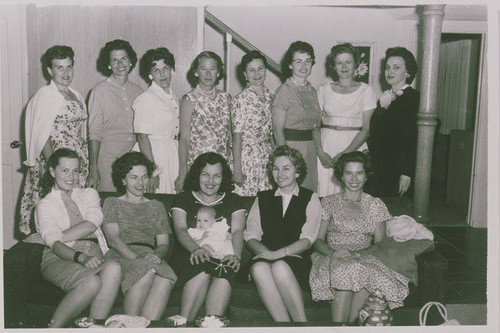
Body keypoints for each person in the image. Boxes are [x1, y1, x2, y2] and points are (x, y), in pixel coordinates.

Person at [309, 151, 409, 323]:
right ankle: (341, 326)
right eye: (348, 173)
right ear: (341, 176)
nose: (354, 179)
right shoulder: (328, 202)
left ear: (366, 176)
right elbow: (318, 241)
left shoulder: (375, 205)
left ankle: (346, 326)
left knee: (361, 271)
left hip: (364, 257)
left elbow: (379, 244)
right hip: (333, 256)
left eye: (359, 173)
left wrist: (356, 255)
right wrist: (336, 253)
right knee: (344, 269)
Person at [34, 148, 121, 328]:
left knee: (114, 267)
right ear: (52, 171)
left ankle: (94, 328)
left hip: (93, 252)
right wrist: (80, 257)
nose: (71, 176)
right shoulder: (45, 205)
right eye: (64, 170)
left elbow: (92, 223)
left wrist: (56, 236)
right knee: (91, 282)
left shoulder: (89, 194)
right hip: (58, 257)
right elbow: (55, 245)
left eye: (75, 170)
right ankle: (52, 329)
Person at [244, 145, 321, 322]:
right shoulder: (262, 198)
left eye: (286, 168)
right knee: (258, 267)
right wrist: (267, 254)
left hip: (296, 258)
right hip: (264, 254)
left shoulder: (311, 198)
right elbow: (251, 236)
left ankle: (302, 325)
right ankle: (283, 326)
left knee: (279, 267)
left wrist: (278, 255)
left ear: (297, 172)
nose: (280, 173)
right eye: (276, 168)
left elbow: (308, 239)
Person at [21, 45, 88, 236]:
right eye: (59, 67)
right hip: (55, 160)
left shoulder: (76, 95)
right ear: (50, 71)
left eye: (69, 67)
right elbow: (41, 136)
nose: (65, 72)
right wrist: (55, 169)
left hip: (75, 159)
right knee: (53, 210)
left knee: (73, 210)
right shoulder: (45, 95)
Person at [170, 152, 245, 320]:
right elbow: (180, 230)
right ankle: (184, 324)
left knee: (225, 268)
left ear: (223, 177)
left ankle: (212, 324)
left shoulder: (234, 200)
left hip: (223, 255)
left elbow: (238, 231)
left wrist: (237, 256)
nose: (210, 181)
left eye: (216, 176)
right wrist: (196, 249)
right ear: (197, 175)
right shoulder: (183, 198)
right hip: (189, 254)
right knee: (202, 265)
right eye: (205, 174)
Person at [102, 152, 177, 320]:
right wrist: (139, 259)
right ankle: (129, 324)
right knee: (147, 271)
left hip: (150, 255)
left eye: (144, 177)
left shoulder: (157, 206)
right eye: (134, 177)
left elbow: (164, 244)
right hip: (121, 255)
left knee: (165, 279)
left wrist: (155, 256)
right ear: (123, 180)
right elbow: (113, 239)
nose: (140, 183)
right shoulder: (112, 203)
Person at [316, 43, 377, 197]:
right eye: (339, 62)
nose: (344, 67)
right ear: (333, 66)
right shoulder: (323, 89)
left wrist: (346, 154)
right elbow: (315, 125)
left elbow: (367, 129)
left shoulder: (366, 90)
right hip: (326, 146)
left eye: (348, 62)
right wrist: (320, 152)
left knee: (350, 191)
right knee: (325, 191)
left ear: (355, 64)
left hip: (353, 145)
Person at [87, 39, 143, 191]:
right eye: (115, 60)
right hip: (108, 163)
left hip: (135, 162)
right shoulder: (99, 91)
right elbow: (95, 133)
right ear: (109, 64)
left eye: (124, 59)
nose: (120, 64)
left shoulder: (139, 91)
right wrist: (93, 168)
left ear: (131, 61)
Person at [175, 52, 232, 192]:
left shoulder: (227, 98)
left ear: (218, 72)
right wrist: (182, 171)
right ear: (195, 72)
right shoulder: (189, 99)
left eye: (212, 69)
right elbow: (185, 138)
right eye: (203, 68)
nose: (208, 74)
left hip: (221, 164)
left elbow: (230, 135)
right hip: (198, 164)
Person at [366, 47, 419, 197]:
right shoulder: (385, 97)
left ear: (408, 72)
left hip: (397, 170)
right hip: (379, 167)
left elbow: (411, 138)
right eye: (388, 67)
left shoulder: (413, 99)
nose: (390, 71)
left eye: (396, 67)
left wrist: (406, 172)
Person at [272, 41, 321, 192]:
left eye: (308, 61)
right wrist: (285, 159)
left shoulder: (313, 91)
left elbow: (315, 126)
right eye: (298, 61)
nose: (304, 66)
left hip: (310, 148)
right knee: (290, 191)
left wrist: (320, 151)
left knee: (308, 191)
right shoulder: (284, 91)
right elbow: (277, 129)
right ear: (290, 65)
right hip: (290, 147)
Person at [133, 47, 179, 194]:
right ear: (150, 74)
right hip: (154, 155)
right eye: (156, 70)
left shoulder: (171, 96)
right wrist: (152, 170)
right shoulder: (147, 98)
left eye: (165, 68)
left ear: (172, 69)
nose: (162, 74)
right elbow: (142, 136)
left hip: (171, 152)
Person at [231, 50, 274, 196]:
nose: (257, 74)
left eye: (260, 69)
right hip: (247, 159)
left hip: (267, 157)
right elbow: (237, 137)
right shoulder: (240, 100)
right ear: (245, 74)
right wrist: (237, 169)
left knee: (266, 202)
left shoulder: (271, 96)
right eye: (251, 70)